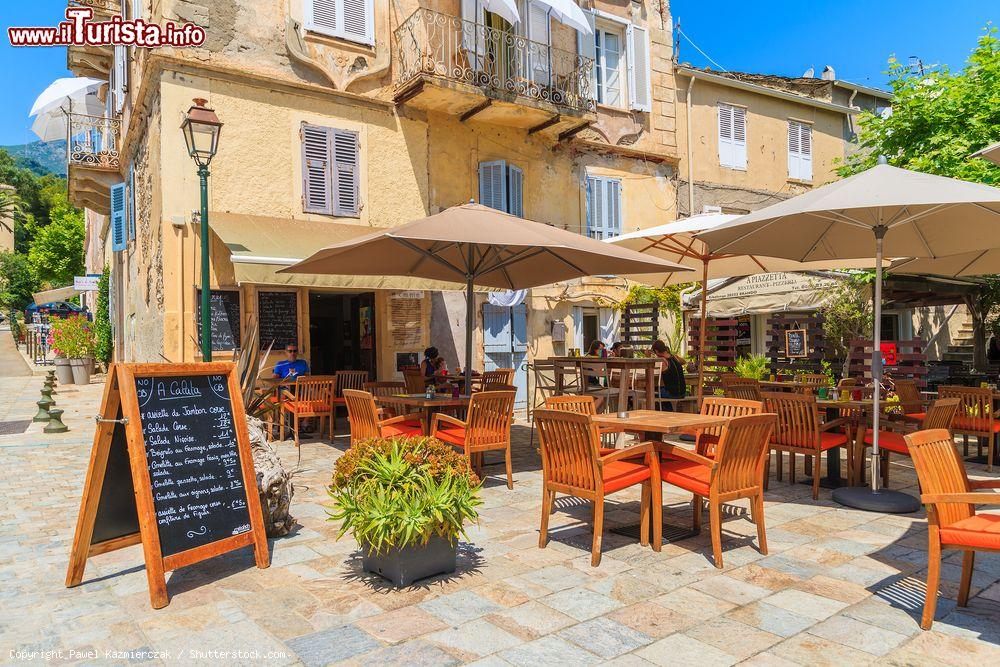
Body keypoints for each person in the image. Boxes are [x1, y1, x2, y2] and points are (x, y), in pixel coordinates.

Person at [651, 340, 685, 410]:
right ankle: (669, 409)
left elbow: (650, 369)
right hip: (682, 392)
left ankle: (665, 411)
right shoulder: (675, 357)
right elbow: (684, 361)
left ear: (656, 351)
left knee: (650, 393)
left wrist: (648, 356)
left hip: (672, 393)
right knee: (660, 391)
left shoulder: (662, 361)